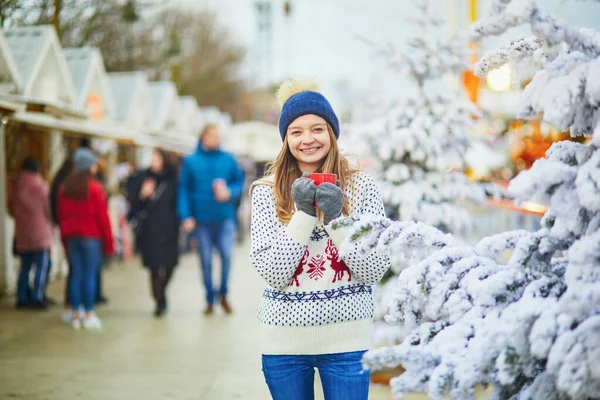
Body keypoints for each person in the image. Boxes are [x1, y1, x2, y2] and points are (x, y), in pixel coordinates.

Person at [249, 79, 391, 400]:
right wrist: (303, 213)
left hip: (347, 342)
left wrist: (337, 220)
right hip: (284, 343)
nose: (307, 139)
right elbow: (274, 274)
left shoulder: (362, 187)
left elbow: (373, 269)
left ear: (332, 134)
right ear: (285, 140)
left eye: (317, 129)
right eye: (296, 132)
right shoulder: (265, 192)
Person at [178, 124, 245, 315]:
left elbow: (239, 183)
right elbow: (184, 189)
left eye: (218, 135)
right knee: (205, 260)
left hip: (224, 219)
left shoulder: (229, 159)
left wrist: (229, 192)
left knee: (226, 256)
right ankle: (209, 298)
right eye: (213, 135)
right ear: (203, 137)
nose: (217, 138)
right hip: (201, 221)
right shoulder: (191, 161)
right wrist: (186, 215)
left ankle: (223, 294)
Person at [57, 148, 114, 330]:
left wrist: (64, 239)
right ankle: (88, 312)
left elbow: (62, 216)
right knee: (89, 275)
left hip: (72, 237)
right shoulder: (95, 189)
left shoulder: (65, 189)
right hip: (91, 238)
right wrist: (109, 243)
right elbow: (103, 218)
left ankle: (75, 313)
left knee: (76, 274)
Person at [131, 149, 179, 317]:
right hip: (149, 229)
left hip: (170, 227)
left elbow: (179, 201)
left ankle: (161, 293)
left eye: (157, 157)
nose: (153, 161)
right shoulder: (143, 177)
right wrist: (143, 195)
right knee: (154, 266)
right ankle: (159, 301)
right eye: (152, 158)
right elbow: (134, 205)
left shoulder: (173, 178)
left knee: (170, 265)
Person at [10, 158, 54, 310]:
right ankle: (37, 296)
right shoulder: (41, 186)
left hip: (22, 232)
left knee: (25, 266)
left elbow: (11, 208)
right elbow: (49, 209)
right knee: (42, 265)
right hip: (40, 232)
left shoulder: (16, 186)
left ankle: (21, 297)